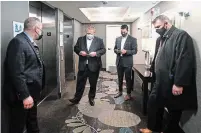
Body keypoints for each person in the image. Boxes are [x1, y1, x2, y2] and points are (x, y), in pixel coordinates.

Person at [140, 15, 197, 133]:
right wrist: (152, 70)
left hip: (172, 82)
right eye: (155, 28)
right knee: (153, 103)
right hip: (159, 81)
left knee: (173, 111)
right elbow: (157, 57)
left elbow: (185, 60)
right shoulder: (160, 39)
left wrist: (179, 83)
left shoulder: (181, 36)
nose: (157, 30)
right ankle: (153, 129)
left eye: (158, 27)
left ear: (166, 23)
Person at [3, 17, 45, 133]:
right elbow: (16, 72)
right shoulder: (18, 42)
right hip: (22, 96)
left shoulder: (28, 42)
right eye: (41, 29)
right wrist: (25, 95)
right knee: (18, 125)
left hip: (32, 92)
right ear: (36, 29)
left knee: (32, 122)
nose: (41, 31)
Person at [69, 25, 106, 106]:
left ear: (94, 33)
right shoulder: (80, 39)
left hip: (94, 66)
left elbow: (103, 50)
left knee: (93, 84)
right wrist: (80, 52)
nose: (89, 35)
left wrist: (96, 53)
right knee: (80, 83)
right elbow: (76, 48)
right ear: (86, 32)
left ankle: (91, 98)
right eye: (88, 33)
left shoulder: (99, 40)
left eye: (91, 33)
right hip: (83, 65)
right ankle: (76, 98)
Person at [114, 24, 138, 100]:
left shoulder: (133, 39)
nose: (123, 33)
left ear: (127, 30)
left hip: (128, 62)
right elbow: (114, 49)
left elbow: (135, 51)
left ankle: (128, 94)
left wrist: (126, 51)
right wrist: (118, 51)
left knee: (128, 78)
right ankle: (120, 91)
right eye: (122, 32)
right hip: (119, 61)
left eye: (124, 32)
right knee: (119, 78)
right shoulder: (118, 39)